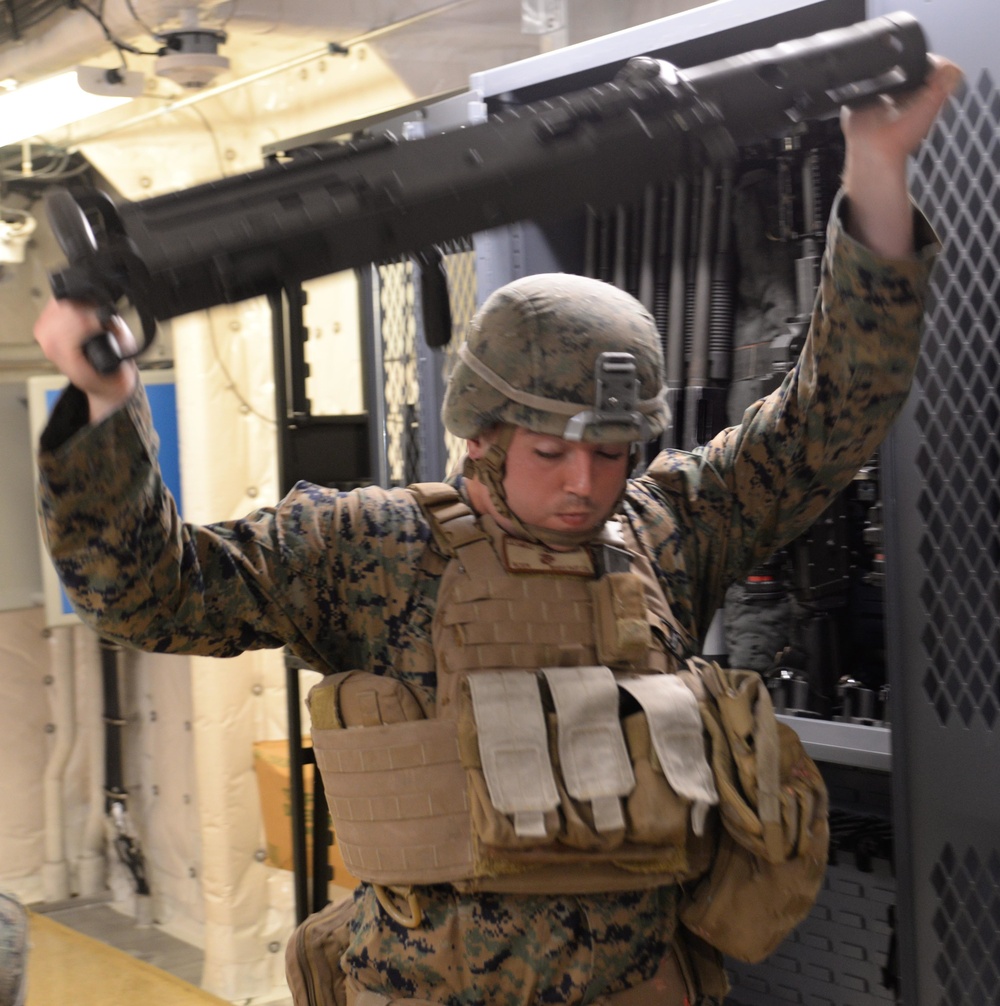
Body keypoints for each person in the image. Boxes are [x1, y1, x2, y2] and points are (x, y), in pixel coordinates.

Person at [33, 57, 960, 1006]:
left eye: (612, 453)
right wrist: (104, 402)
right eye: (553, 453)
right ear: (481, 432)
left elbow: (833, 415)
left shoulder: (667, 531)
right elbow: (145, 593)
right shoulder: (374, 550)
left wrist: (877, 165)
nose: (586, 486)